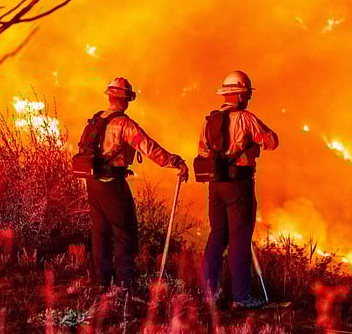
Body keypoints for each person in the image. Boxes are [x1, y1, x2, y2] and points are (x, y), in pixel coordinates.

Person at [85, 77, 189, 291]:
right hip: (113, 183)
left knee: (100, 232)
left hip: (93, 182)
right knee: (125, 232)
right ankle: (125, 283)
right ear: (125, 100)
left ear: (110, 97)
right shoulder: (123, 123)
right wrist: (174, 161)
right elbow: (148, 147)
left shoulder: (96, 119)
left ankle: (102, 282)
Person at [198, 70, 279, 309]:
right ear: (242, 94)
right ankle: (242, 297)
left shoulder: (209, 121)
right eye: (247, 95)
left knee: (216, 237)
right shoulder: (246, 118)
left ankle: (209, 293)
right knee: (239, 240)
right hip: (239, 186)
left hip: (215, 186)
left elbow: (202, 152)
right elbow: (272, 141)